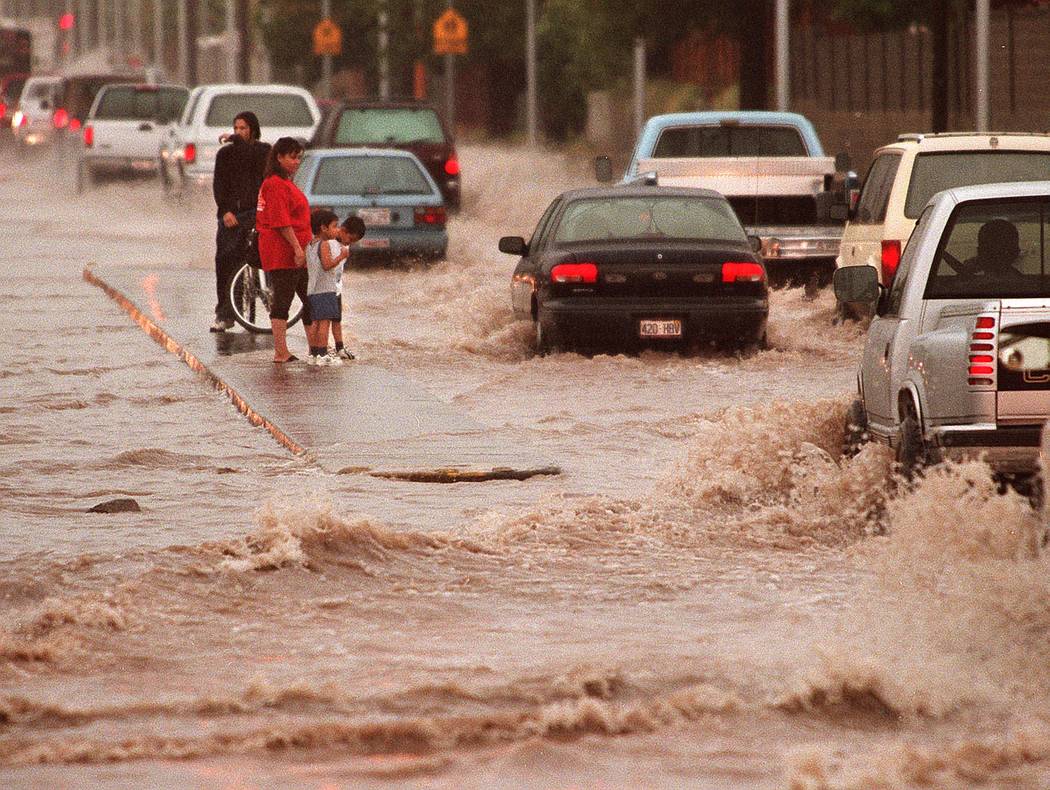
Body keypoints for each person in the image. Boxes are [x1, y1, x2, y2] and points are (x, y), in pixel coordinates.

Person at [211, 111, 270, 332]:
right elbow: (219, 185)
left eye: (243, 128)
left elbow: (254, 159)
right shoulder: (225, 155)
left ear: (253, 129)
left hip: (256, 213)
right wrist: (225, 211)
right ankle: (224, 313)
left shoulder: (263, 152)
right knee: (225, 260)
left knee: (264, 256)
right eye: (235, 128)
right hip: (232, 215)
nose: (238, 132)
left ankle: (271, 300)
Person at [256, 137, 312, 363]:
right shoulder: (274, 184)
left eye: (299, 157)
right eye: (292, 157)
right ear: (279, 157)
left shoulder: (284, 183)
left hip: (297, 251)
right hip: (284, 252)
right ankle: (281, 351)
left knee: (312, 300)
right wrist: (298, 249)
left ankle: (316, 348)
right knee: (283, 301)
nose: (296, 161)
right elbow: (281, 222)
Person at [305, 209, 349, 366]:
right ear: (324, 228)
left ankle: (314, 353)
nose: (337, 230)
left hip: (313, 289)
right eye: (335, 226)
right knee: (324, 323)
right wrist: (341, 257)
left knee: (315, 322)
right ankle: (323, 354)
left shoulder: (310, 244)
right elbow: (327, 265)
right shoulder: (324, 245)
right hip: (325, 289)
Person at [331, 215, 366, 360]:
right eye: (350, 240)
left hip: (337, 287)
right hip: (325, 287)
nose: (350, 243)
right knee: (323, 319)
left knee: (337, 318)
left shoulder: (345, 244)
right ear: (343, 230)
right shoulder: (329, 243)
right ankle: (318, 349)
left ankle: (339, 347)